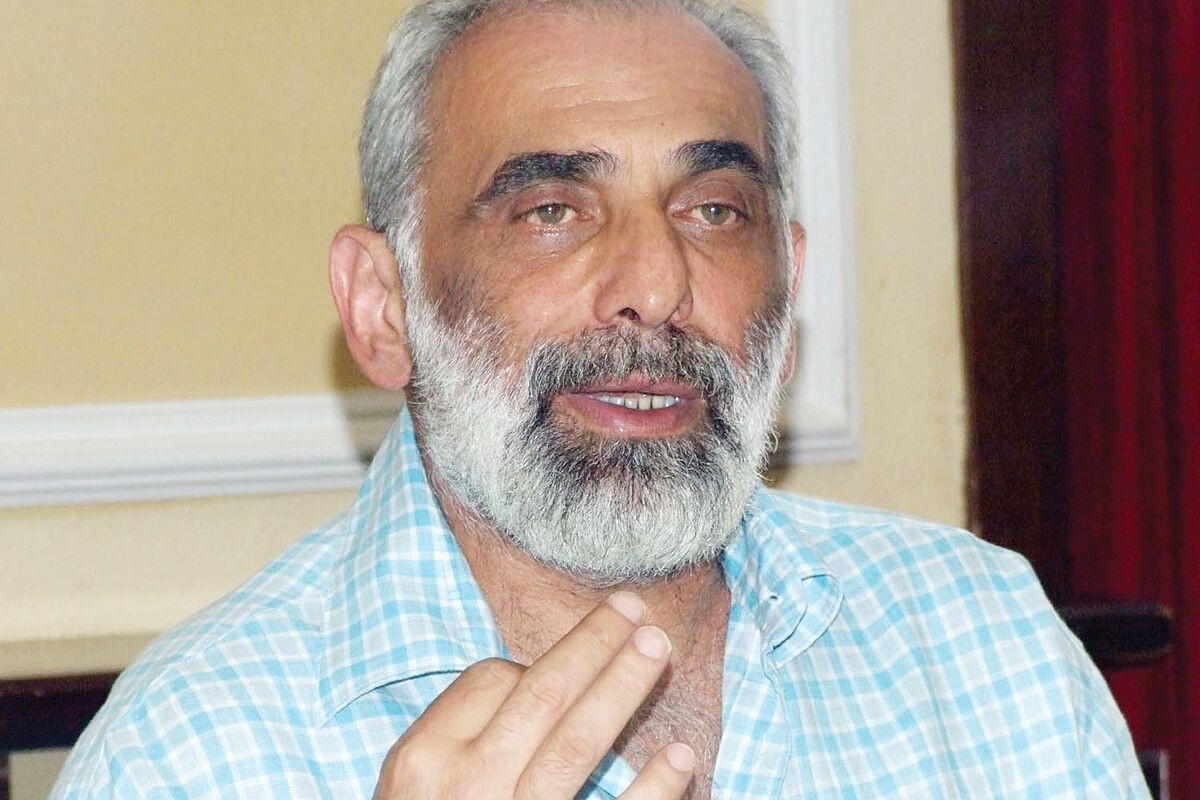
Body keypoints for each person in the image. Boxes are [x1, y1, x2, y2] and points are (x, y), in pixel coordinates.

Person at [52, 0, 1150, 797]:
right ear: (384, 308)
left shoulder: (981, 640)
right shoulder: (191, 752)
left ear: (789, 286)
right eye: (552, 211)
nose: (657, 285)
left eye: (714, 210)